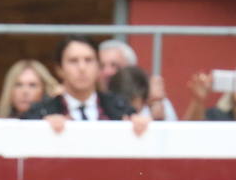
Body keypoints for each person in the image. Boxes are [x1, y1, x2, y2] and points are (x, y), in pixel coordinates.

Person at [22, 35, 150, 136]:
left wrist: (142, 125)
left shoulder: (120, 108)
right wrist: (42, 129)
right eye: (73, 61)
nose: (82, 68)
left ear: (98, 66)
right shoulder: (42, 112)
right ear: (59, 69)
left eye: (88, 60)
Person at [100, 39, 176, 121]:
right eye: (101, 66)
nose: (107, 72)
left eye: (115, 66)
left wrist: (156, 113)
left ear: (132, 69)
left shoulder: (154, 98)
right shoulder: (92, 100)